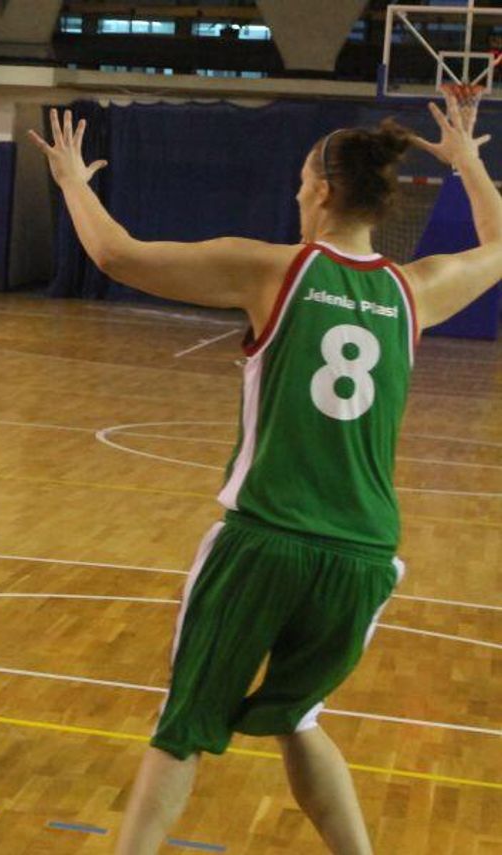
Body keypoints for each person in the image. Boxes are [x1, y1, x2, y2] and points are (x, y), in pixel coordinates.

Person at [30, 93, 502, 854]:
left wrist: (73, 184)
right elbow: (501, 242)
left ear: (320, 189)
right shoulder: (416, 289)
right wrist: (472, 162)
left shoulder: (272, 270)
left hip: (266, 540)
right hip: (365, 557)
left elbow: (117, 254)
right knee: (297, 715)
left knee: (183, 725)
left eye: (300, 180)